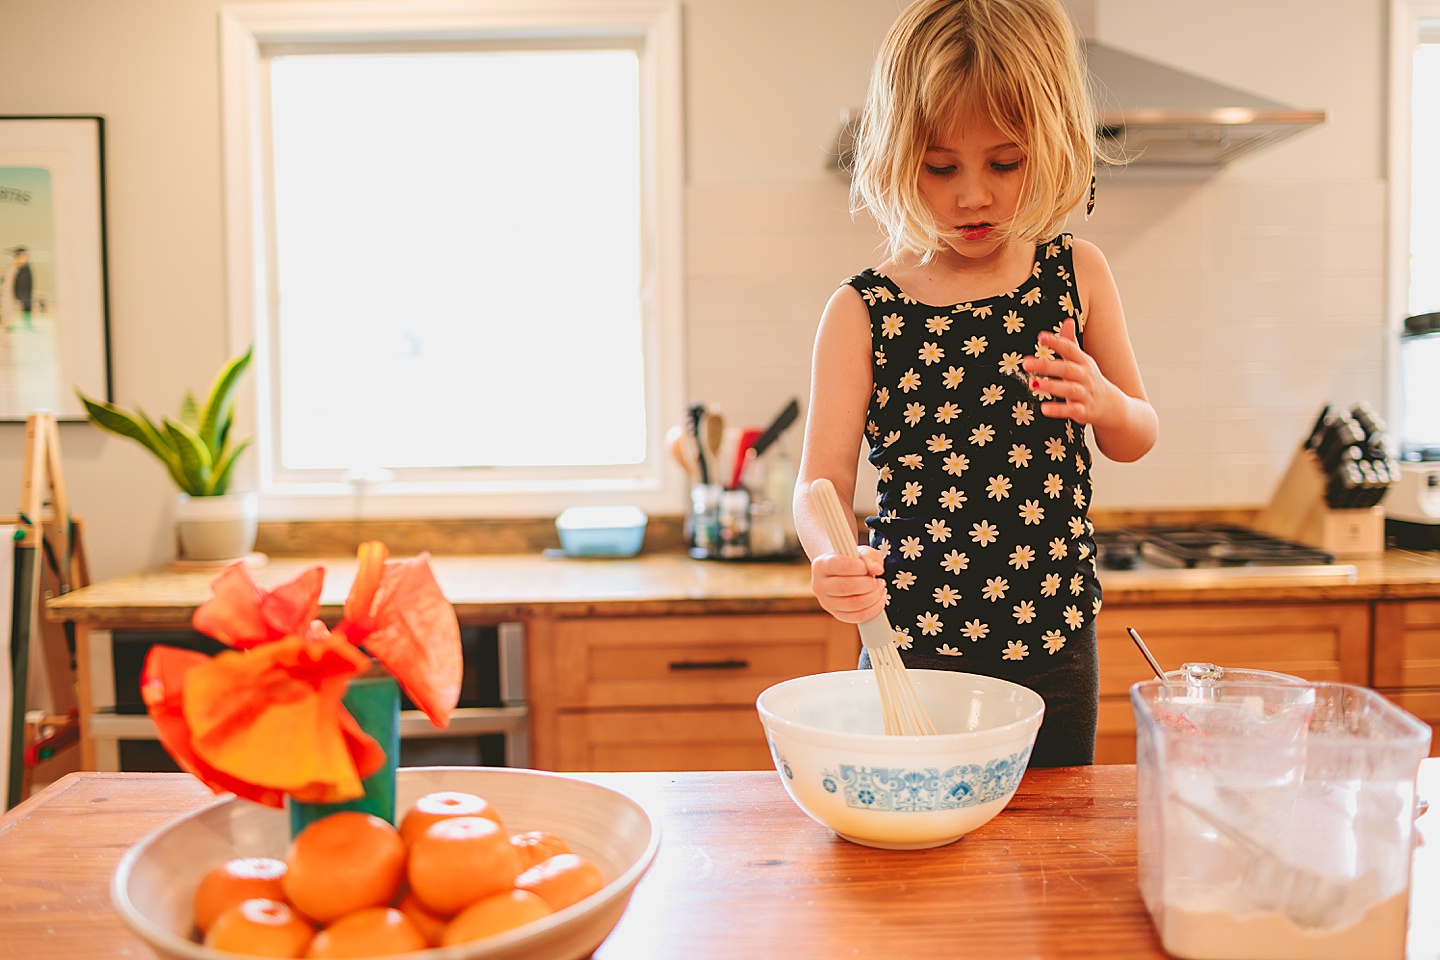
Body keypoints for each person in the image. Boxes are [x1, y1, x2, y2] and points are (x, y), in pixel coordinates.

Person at [793, 0, 1157, 767]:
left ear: (1052, 143)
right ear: (896, 156)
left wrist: (1106, 402)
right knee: (921, 858)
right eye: (940, 166)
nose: (972, 196)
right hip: (912, 647)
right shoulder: (862, 312)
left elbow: (1137, 434)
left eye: (1004, 162)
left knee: (1054, 850)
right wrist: (831, 560)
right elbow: (818, 483)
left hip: (1056, 644)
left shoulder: (1076, 275)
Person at [9, 247, 33, 328]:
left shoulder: (26, 268)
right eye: (23, 255)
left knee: (26, 310)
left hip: (25, 296)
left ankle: (25, 324)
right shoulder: (15, 268)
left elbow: (28, 283)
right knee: (17, 310)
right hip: (18, 296)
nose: (25, 257)